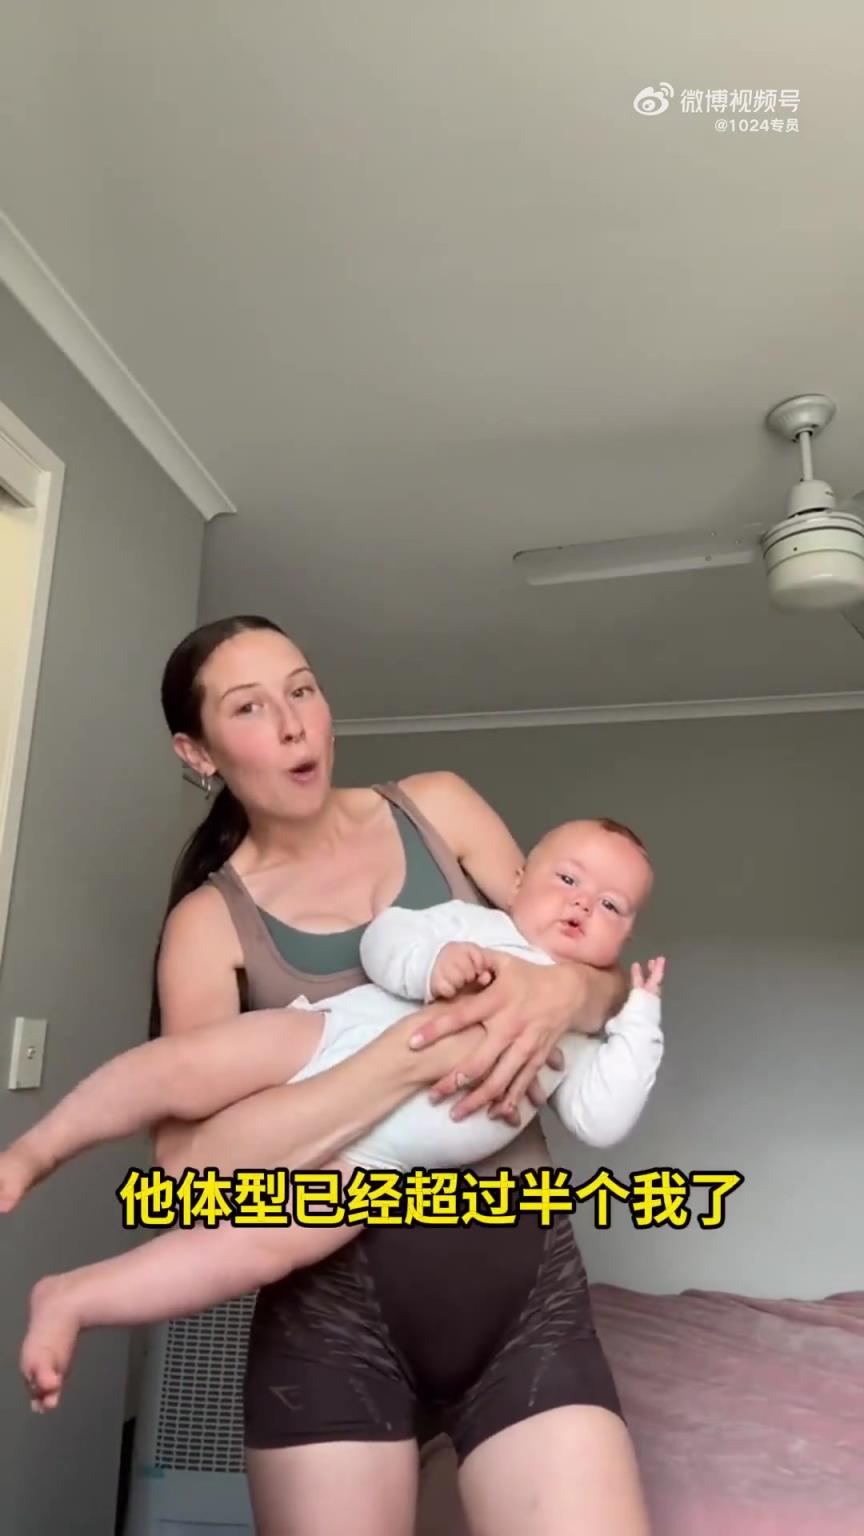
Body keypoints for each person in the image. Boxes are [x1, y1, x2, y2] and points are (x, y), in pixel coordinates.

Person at [35, 616, 654, 1534]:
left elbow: (576, 945)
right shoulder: (211, 925)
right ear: (196, 751)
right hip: (333, 1327)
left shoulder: (439, 808)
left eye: (302, 689)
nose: (294, 723)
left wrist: (567, 994)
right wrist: (404, 1063)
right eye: (250, 708)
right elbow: (193, 1172)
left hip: (524, 1298)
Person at [5, 819, 665, 1411]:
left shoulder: (580, 1034)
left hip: (376, 1169)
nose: (583, 902)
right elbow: (385, 938)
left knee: (254, 1250)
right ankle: (37, 1151)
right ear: (517, 879)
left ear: (627, 934)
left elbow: (600, 1122)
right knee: (179, 1067)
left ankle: (75, 1298)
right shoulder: (473, 926)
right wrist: (431, 964)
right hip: (324, 1038)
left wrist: (640, 1019)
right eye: (568, 878)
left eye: (611, 904)